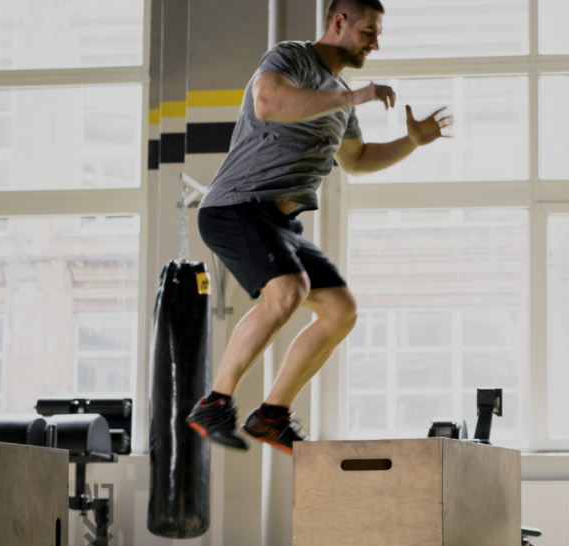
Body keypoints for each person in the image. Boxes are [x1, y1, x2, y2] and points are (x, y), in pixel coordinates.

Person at [187, 0, 451, 454]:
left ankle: (271, 415)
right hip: (236, 206)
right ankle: (214, 403)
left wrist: (411, 142)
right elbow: (267, 102)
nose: (375, 43)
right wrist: (353, 96)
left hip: (280, 222)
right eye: (369, 32)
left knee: (339, 310)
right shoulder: (292, 58)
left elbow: (358, 161)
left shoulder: (339, 97)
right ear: (338, 22)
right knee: (289, 291)